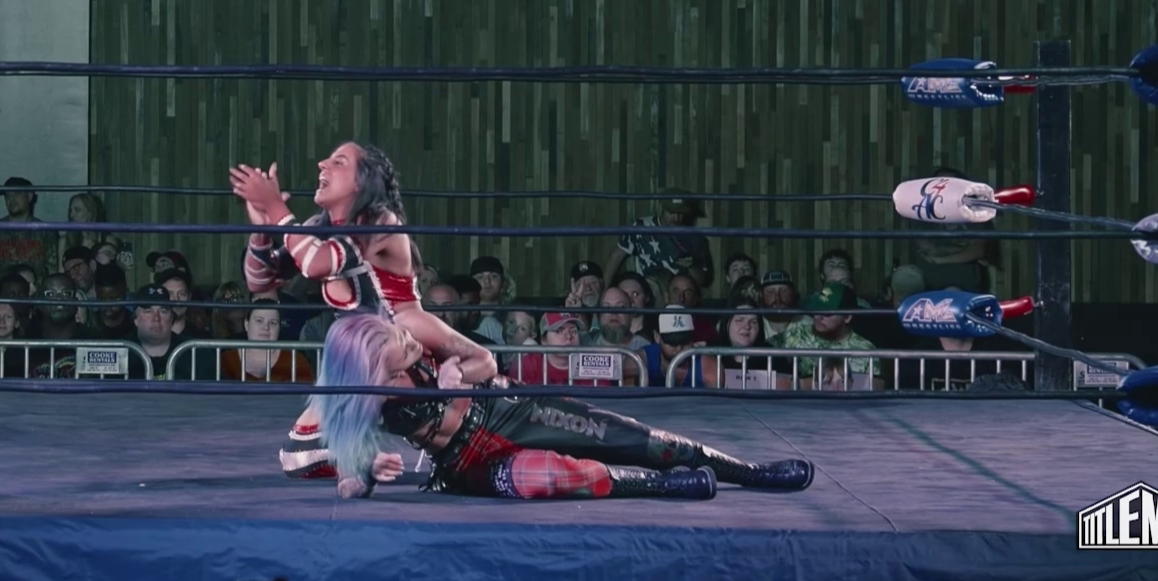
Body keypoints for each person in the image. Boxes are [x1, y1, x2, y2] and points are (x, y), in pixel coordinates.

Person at [318, 314, 814, 501]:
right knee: (547, 478)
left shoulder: (419, 331)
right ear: (373, 367)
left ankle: (752, 473)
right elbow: (348, 477)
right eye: (400, 349)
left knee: (638, 439)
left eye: (405, 339)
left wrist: (457, 374)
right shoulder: (364, 398)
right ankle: (664, 487)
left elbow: (486, 359)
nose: (409, 344)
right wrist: (367, 472)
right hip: (468, 462)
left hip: (508, 408)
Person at [230, 142, 496, 479]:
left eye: (338, 161)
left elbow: (316, 264)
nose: (322, 164)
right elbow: (260, 281)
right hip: (358, 357)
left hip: (400, 335)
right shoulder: (320, 226)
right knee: (297, 455)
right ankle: (364, 462)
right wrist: (262, 229)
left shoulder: (380, 222)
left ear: (361, 182)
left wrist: (276, 208)